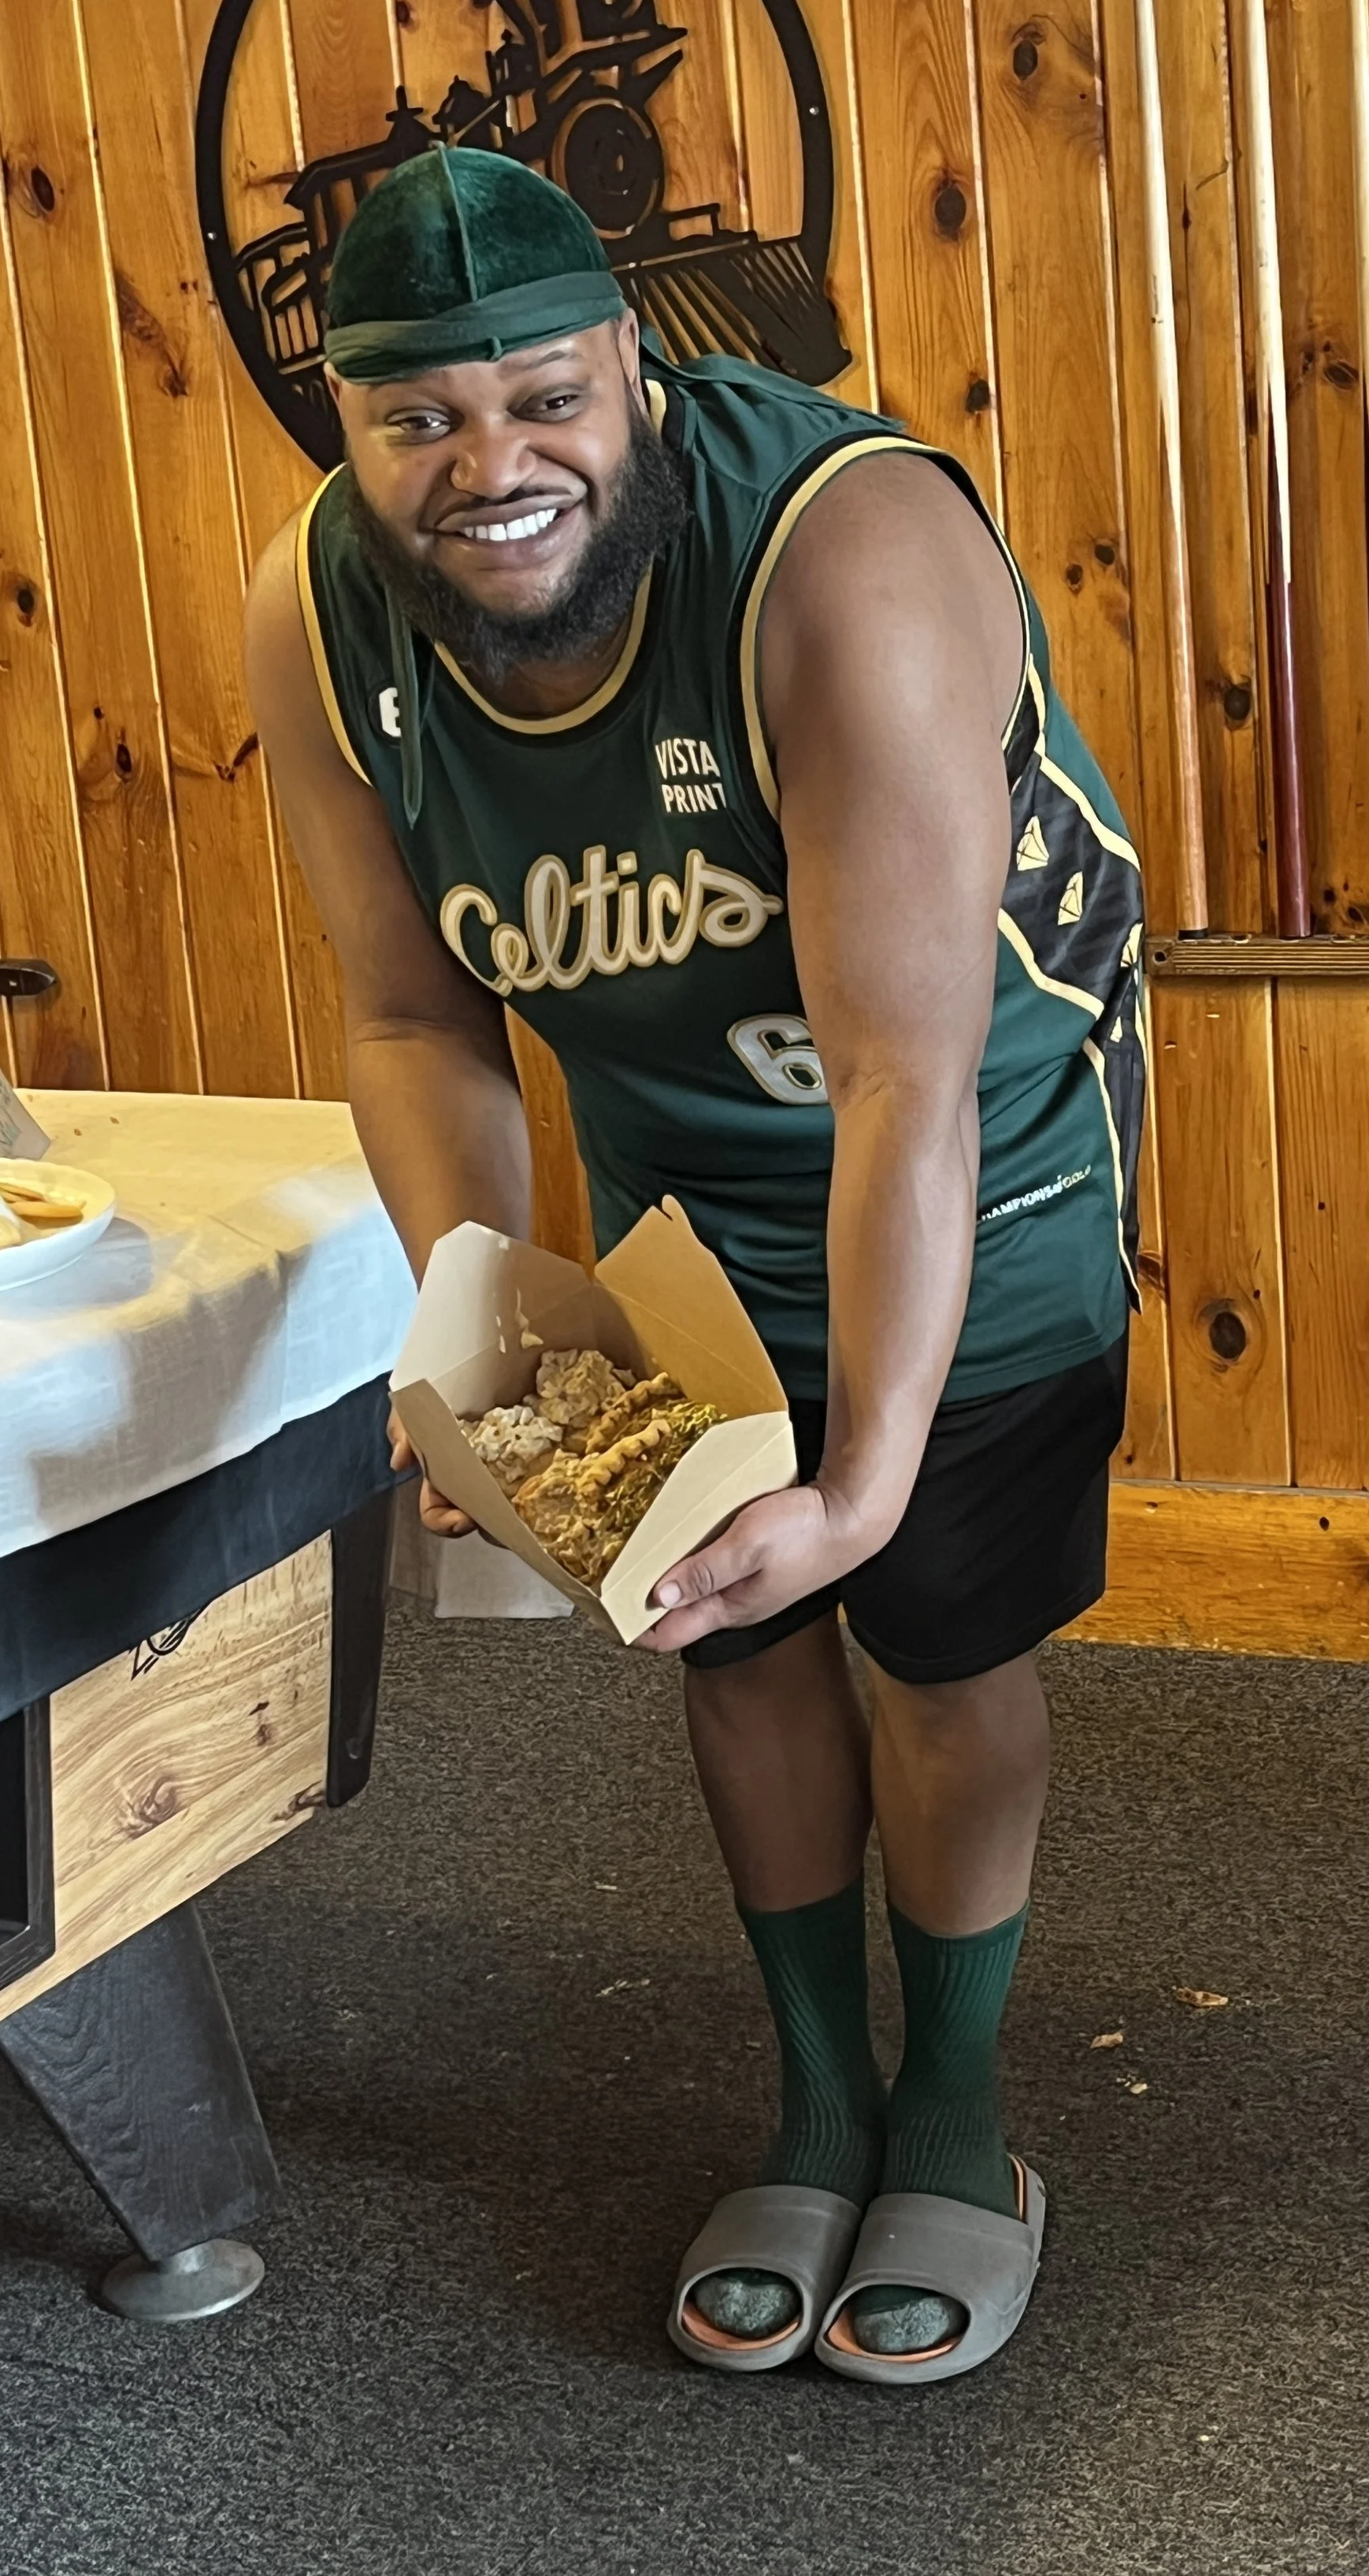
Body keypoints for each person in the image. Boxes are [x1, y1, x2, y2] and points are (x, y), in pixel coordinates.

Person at [243, 147, 1145, 2386]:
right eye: (419, 420)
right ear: (347, 429)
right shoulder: (312, 606)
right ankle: (814, 2101)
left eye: (543, 398)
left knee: (926, 1628)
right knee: (731, 1639)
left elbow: (900, 1086)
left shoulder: (849, 555)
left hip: (976, 1164)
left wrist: (860, 1471)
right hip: (691, 1189)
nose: (492, 465)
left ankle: (952, 2113)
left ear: (631, 368)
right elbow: (408, 1014)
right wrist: (491, 1342)